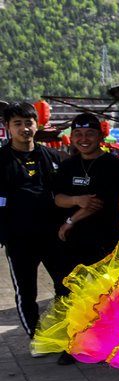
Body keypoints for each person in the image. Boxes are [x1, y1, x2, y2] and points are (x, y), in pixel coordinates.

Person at [54, 113, 119, 365]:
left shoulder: (112, 164)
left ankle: (105, 344)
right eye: (79, 135)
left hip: (102, 239)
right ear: (72, 138)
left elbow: (97, 203)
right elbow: (57, 197)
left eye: (90, 134)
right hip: (71, 242)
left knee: (103, 293)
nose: (84, 139)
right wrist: (76, 200)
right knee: (70, 291)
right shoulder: (67, 165)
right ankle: (73, 344)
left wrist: (70, 220)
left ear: (101, 136)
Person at [0, 102, 65, 344]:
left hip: (52, 235)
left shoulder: (50, 156)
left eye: (28, 123)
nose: (24, 128)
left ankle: (62, 330)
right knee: (26, 291)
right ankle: (36, 336)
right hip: (18, 239)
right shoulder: (2, 160)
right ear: (8, 127)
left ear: (36, 125)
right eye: (18, 123)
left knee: (64, 285)